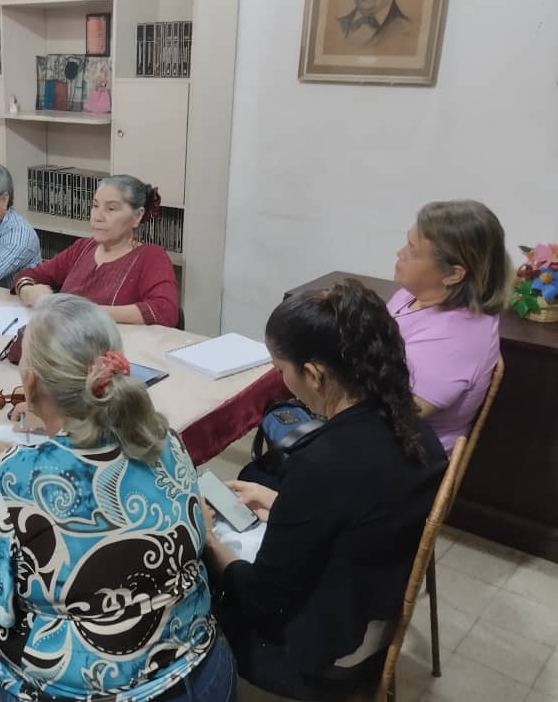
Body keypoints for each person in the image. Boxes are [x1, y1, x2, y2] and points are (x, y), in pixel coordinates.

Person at [0, 294, 236, 702]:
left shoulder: (12, 478)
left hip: (83, 690)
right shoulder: (162, 440)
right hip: (203, 670)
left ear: (29, 383)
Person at [206, 280, 446, 699]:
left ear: (314, 374)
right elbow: (364, 512)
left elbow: (263, 600)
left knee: (189, 572)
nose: (282, 381)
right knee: (256, 493)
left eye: (281, 370)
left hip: (319, 652)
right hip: (371, 609)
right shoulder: (414, 429)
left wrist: (206, 541)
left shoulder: (323, 462)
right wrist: (282, 504)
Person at [389, 200, 509, 454]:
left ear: (454, 274)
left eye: (413, 250)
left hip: (405, 453)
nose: (400, 252)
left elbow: (398, 418)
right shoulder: (413, 294)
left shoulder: (456, 337)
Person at [13, 175, 179, 326]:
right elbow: (29, 275)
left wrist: (85, 312)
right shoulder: (83, 247)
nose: (97, 216)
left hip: (114, 350)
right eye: (95, 206)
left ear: (137, 216)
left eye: (111, 209)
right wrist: (28, 290)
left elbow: (164, 311)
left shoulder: (151, 256)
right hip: (66, 342)